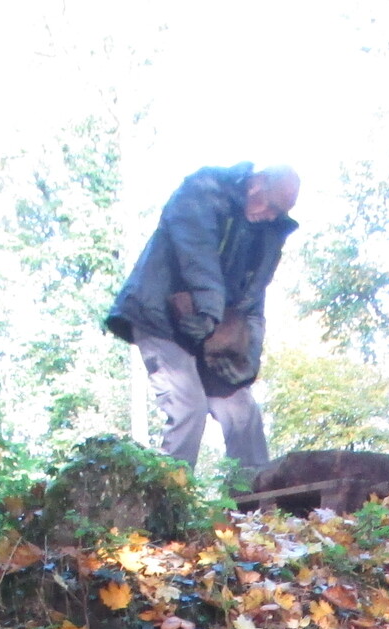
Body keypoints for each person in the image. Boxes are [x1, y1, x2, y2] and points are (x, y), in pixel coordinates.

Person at [106, 163, 300, 471]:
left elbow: (253, 303)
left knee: (244, 414)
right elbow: (198, 255)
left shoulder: (267, 235)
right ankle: (172, 495)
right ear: (256, 183)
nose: (270, 215)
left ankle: (254, 498)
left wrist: (249, 360)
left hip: (211, 333)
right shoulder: (204, 190)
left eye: (279, 212)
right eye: (270, 205)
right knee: (188, 407)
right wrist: (210, 310)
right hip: (161, 319)